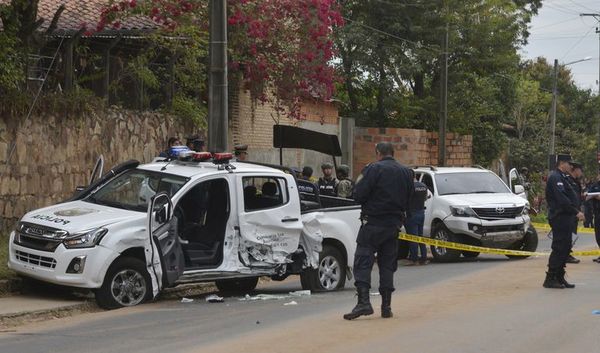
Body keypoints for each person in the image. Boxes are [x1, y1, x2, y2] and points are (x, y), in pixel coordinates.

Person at [343, 142, 414, 320]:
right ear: (393, 152)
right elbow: (411, 199)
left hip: (373, 224)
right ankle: (386, 306)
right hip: (393, 226)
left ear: (378, 153)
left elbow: (358, 194)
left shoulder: (373, 169)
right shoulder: (406, 172)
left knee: (363, 261)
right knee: (387, 265)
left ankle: (364, 303)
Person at [543, 154, 583, 289]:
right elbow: (562, 199)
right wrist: (576, 211)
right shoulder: (555, 177)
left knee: (566, 248)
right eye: (568, 163)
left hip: (566, 218)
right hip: (560, 217)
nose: (570, 166)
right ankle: (551, 277)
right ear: (561, 163)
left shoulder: (563, 177)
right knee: (559, 248)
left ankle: (560, 276)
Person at [404, 170, 429, 266]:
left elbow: (405, 200)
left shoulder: (409, 187)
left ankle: (414, 259)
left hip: (411, 213)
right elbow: (426, 198)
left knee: (413, 237)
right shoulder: (423, 185)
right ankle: (423, 257)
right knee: (420, 235)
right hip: (421, 212)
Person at [565, 161, 584, 264]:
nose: (581, 173)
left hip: (575, 211)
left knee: (572, 233)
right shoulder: (567, 180)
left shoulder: (576, 181)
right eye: (580, 170)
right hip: (570, 212)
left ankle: (568, 252)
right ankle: (566, 254)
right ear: (576, 170)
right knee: (568, 233)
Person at [587, 174, 600, 263]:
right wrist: (593, 196)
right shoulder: (595, 185)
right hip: (597, 213)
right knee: (598, 234)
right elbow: (587, 195)